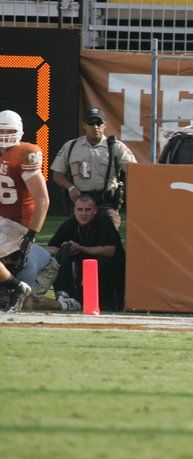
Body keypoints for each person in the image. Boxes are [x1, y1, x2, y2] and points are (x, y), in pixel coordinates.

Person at [51, 107, 137, 228]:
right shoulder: (70, 146)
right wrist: (70, 188)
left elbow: (134, 171)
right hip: (80, 202)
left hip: (106, 203)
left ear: (105, 125)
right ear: (84, 125)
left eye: (99, 123)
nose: (95, 127)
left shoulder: (116, 147)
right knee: (74, 238)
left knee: (110, 235)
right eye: (91, 123)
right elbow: (57, 174)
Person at [0, 110, 50, 314]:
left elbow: (42, 198)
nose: (4, 134)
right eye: (1, 130)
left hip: (19, 221)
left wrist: (32, 233)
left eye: (9, 130)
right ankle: (15, 287)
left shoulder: (25, 153)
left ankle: (16, 287)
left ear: (19, 131)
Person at [47, 195, 126, 311]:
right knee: (63, 251)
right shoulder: (70, 224)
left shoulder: (105, 223)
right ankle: (64, 294)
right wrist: (66, 249)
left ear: (95, 211)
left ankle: (107, 301)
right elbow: (52, 247)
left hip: (109, 269)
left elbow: (109, 251)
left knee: (101, 262)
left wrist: (80, 248)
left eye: (88, 210)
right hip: (80, 265)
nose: (83, 214)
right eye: (80, 210)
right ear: (74, 211)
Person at [1, 245, 81, 312]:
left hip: (48, 267)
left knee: (28, 302)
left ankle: (64, 304)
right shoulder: (7, 255)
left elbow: (22, 295)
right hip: (37, 259)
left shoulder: (28, 269)